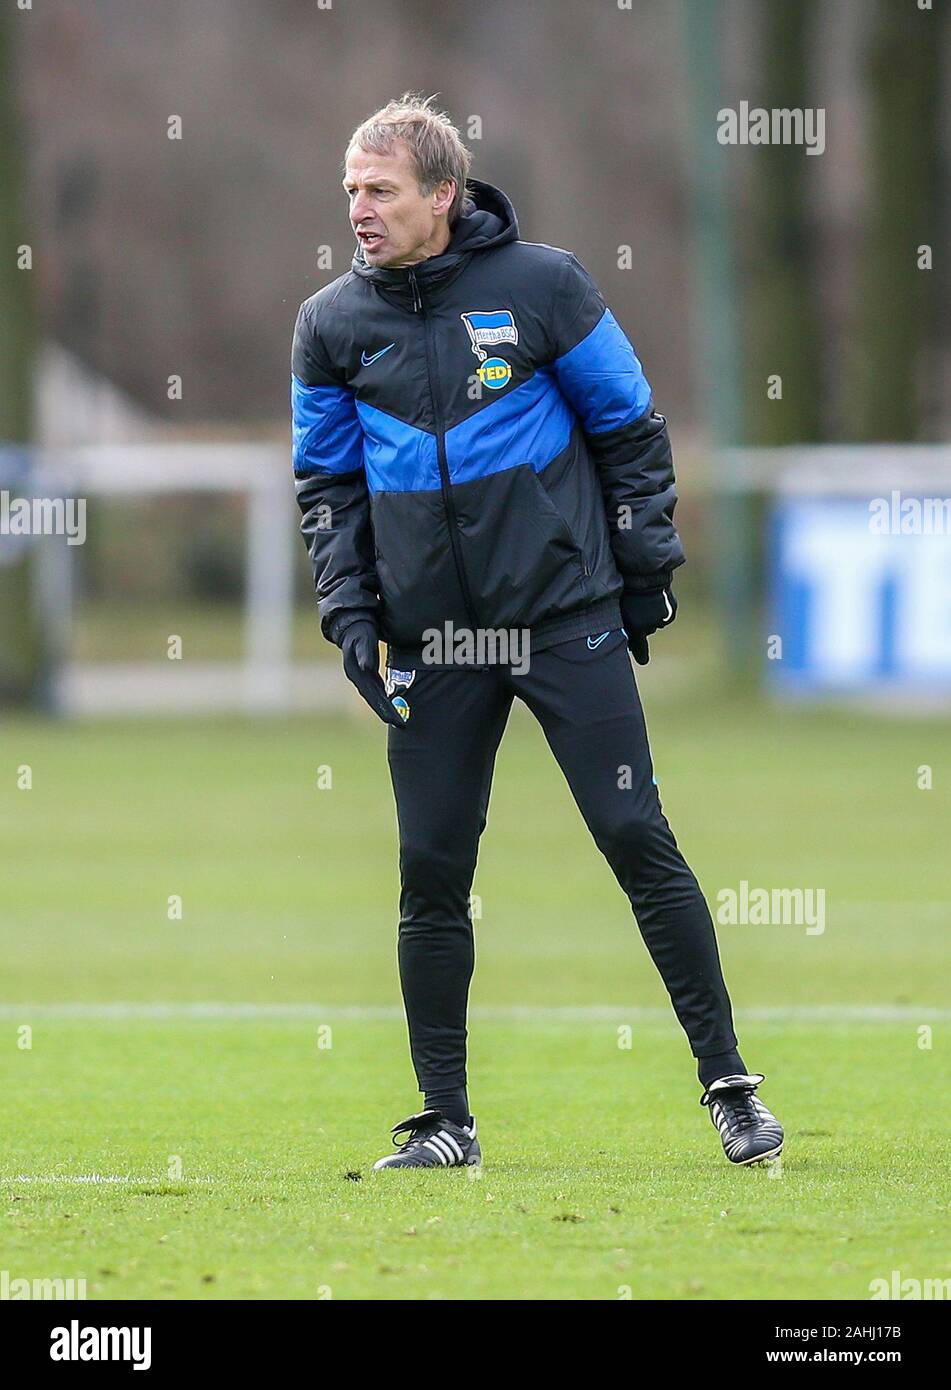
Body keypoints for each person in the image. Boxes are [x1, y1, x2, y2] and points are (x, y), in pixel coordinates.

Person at [291, 93, 783, 1171]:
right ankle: (446, 1121)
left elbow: (631, 429)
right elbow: (327, 486)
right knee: (430, 869)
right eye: (350, 192)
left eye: (379, 190)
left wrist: (645, 568)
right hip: (432, 643)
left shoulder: (545, 286)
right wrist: (352, 614)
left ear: (442, 195)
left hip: (563, 624)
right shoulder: (330, 324)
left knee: (635, 839)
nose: (359, 210)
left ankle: (730, 1086)